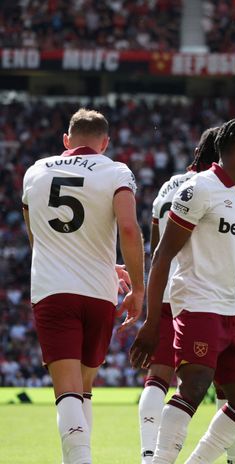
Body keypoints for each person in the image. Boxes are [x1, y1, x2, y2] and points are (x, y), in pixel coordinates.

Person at [129, 118, 235, 464]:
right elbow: (162, 256)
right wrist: (151, 321)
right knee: (193, 386)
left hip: (231, 310)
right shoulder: (198, 189)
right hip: (198, 305)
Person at [21, 108, 144, 464]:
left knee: (68, 392)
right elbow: (129, 229)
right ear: (105, 143)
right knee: (84, 389)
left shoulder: (35, 171)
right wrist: (137, 287)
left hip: (53, 289)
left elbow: (36, 237)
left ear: (65, 141)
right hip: (99, 292)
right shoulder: (116, 171)